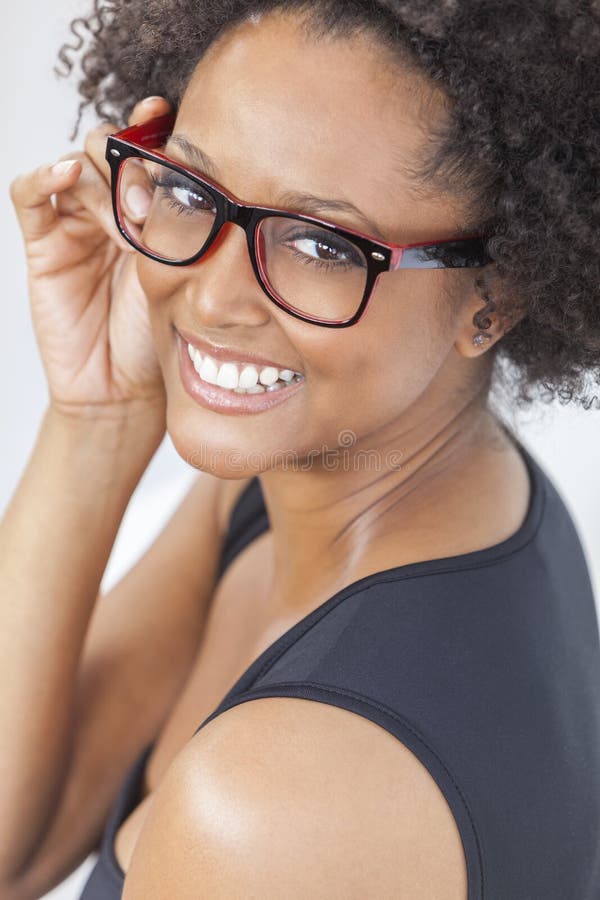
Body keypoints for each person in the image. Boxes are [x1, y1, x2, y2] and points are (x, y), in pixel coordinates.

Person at [3, 1, 600, 898]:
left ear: (493, 300)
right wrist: (98, 419)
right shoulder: (332, 484)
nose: (213, 299)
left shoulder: (273, 811)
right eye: (191, 191)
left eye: (322, 243)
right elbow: (19, 842)